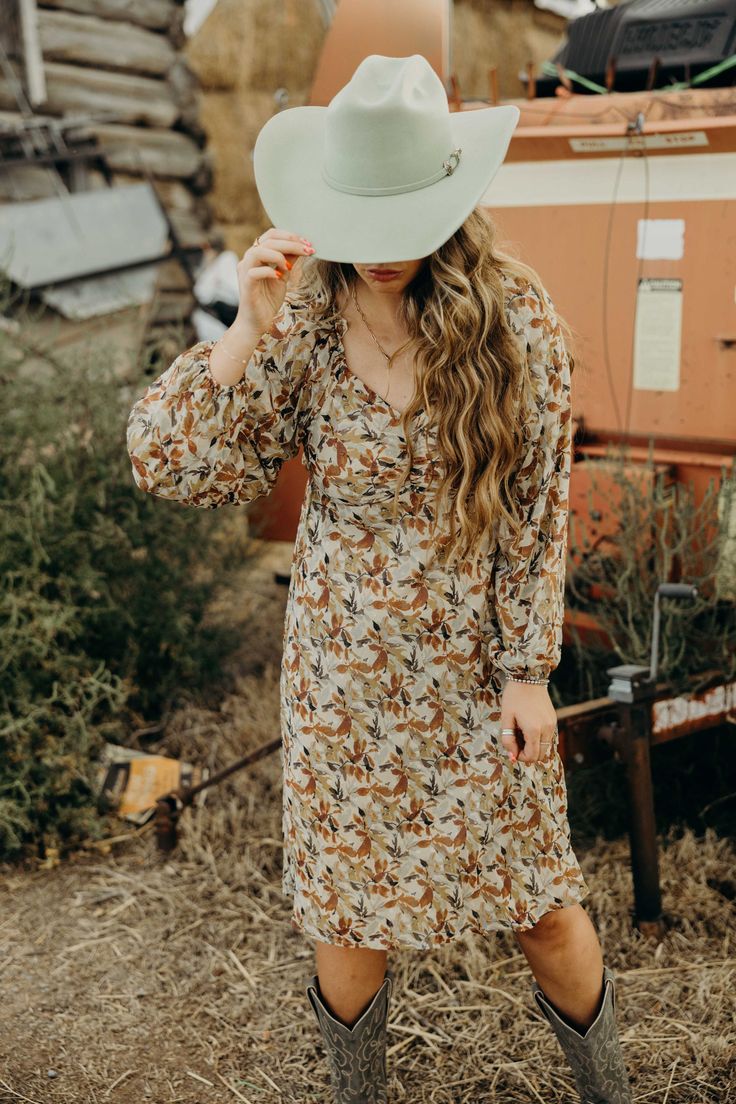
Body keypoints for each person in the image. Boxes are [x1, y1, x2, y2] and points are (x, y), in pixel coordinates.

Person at [126, 53, 633, 1104]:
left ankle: (611, 1094)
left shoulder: (516, 321)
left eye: (409, 216)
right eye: (366, 216)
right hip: (342, 682)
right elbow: (168, 463)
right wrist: (245, 331)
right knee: (349, 922)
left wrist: (527, 671)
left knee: (543, 905)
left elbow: (537, 510)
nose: (386, 249)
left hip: (476, 672)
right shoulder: (304, 319)